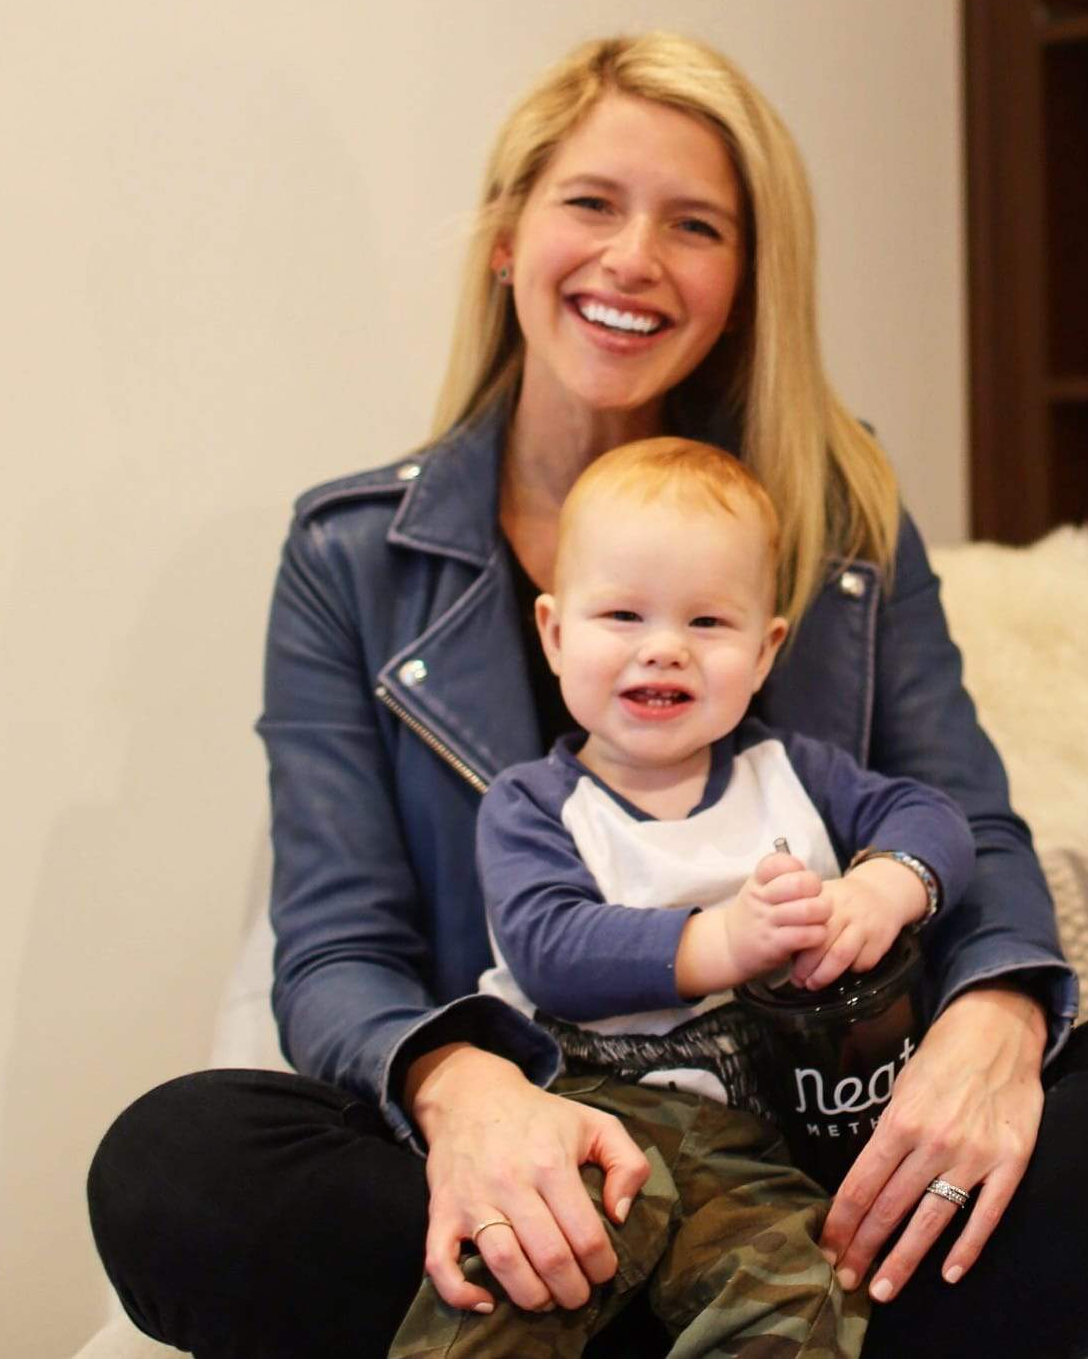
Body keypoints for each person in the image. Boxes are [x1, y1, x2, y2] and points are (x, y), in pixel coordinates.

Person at [88, 32, 1088, 1359]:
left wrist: (992, 1028)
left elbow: (969, 830)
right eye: (590, 203)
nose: (634, 259)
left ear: (740, 283)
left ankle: (696, 1315)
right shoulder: (350, 558)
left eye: (695, 225)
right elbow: (334, 948)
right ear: (507, 238)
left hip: (823, 1136)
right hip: (542, 1144)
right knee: (172, 1164)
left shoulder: (840, 520)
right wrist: (465, 1098)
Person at [392, 434, 976, 1359]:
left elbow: (937, 817)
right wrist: (722, 940)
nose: (663, 649)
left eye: (708, 623)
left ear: (764, 648)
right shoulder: (536, 803)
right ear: (553, 632)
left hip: (755, 1145)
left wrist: (884, 883)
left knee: (808, 1285)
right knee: (517, 1271)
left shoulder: (793, 773)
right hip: (581, 1123)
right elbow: (550, 947)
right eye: (621, 614)